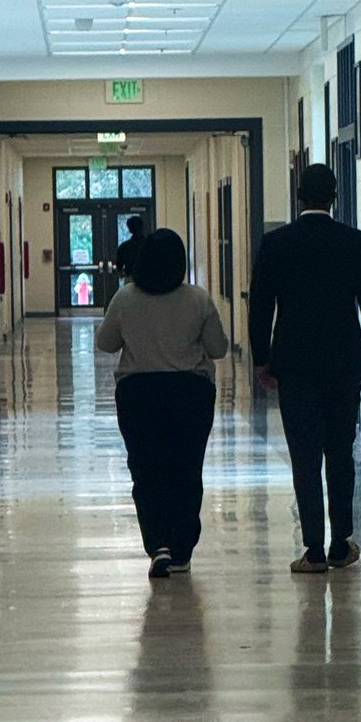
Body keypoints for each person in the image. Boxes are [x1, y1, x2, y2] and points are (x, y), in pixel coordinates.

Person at [248, 163, 361, 574]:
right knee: (340, 453)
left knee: (305, 456)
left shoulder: (275, 243)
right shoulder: (353, 242)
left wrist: (262, 358)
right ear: (334, 196)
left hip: (293, 365)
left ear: (298, 196)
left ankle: (312, 549)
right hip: (344, 365)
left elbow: (261, 306)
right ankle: (341, 544)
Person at [96, 229, 229, 580]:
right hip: (189, 393)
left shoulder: (125, 299)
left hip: (139, 394)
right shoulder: (198, 300)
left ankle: (158, 546)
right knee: (186, 470)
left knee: (146, 470)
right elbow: (218, 349)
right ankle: (183, 548)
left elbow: (106, 343)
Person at [115, 216, 146, 281]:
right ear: (142, 227)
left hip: (131, 280)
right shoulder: (151, 245)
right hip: (148, 281)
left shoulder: (124, 247)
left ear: (129, 229)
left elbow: (119, 270)